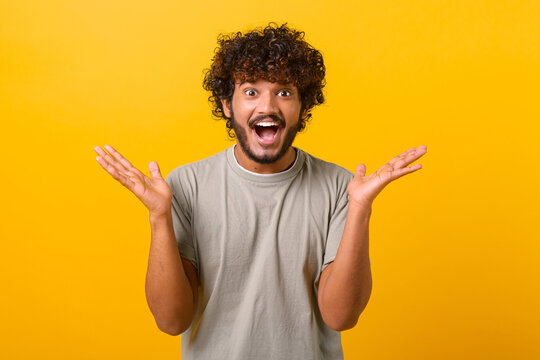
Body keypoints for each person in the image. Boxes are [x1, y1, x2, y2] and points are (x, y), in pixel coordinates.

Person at [94, 22, 427, 360]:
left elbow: (340, 316)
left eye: (284, 92)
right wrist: (158, 215)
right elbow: (170, 319)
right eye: (251, 91)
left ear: (304, 108)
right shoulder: (186, 185)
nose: (267, 107)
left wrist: (360, 207)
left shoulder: (341, 187)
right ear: (227, 105)